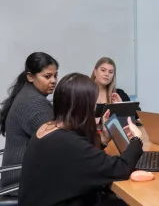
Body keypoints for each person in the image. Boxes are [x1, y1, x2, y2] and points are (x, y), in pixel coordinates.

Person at [18, 73, 144, 206]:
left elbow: (81, 159)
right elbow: (120, 168)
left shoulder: (48, 128)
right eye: (93, 103)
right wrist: (137, 139)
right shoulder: (67, 142)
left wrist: (104, 139)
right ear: (83, 107)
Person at [0, 52, 59, 190]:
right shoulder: (34, 102)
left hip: (15, 174)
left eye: (55, 75)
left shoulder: (28, 93)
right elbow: (60, 141)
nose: (54, 81)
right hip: (21, 181)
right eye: (47, 76)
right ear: (30, 77)